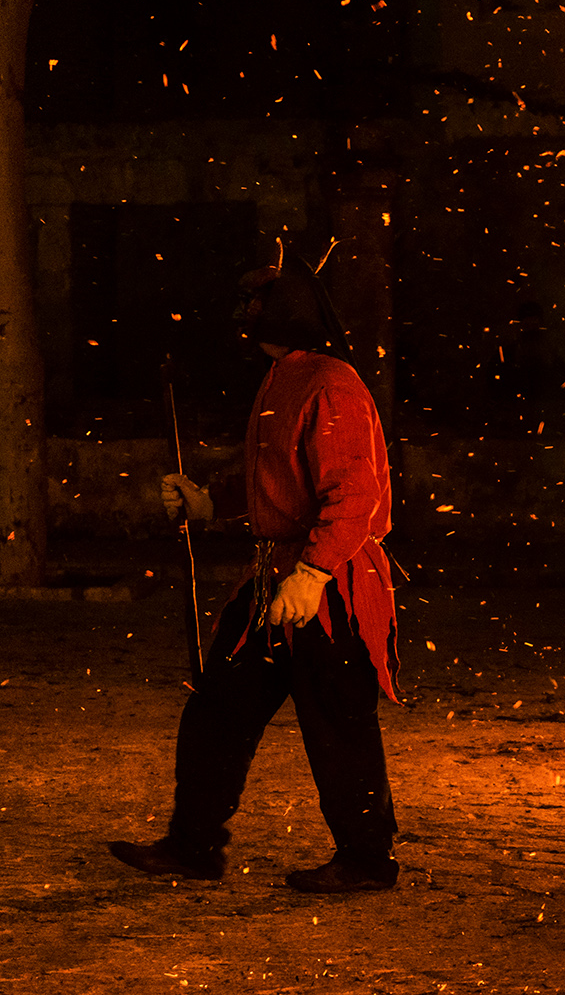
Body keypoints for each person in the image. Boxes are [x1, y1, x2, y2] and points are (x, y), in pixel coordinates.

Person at [110, 254, 402, 894]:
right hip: (274, 578)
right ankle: (193, 847)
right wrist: (207, 501)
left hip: (333, 589)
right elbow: (277, 486)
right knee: (217, 711)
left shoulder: (332, 384)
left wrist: (315, 573)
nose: (243, 313)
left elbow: (354, 495)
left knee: (338, 724)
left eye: (256, 301)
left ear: (289, 309)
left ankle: (367, 860)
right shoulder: (280, 378)